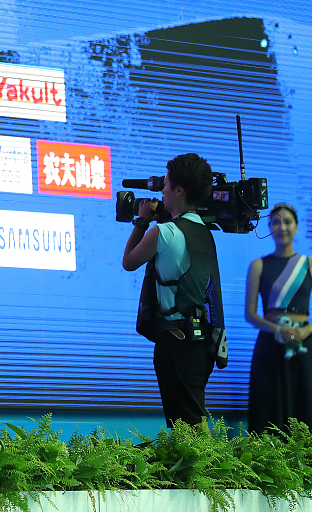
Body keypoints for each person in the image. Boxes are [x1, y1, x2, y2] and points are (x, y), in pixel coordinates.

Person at [122, 153, 227, 428]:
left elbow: (129, 261)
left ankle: (208, 460)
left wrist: (142, 220)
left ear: (179, 190)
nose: (162, 190)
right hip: (201, 341)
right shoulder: (205, 232)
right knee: (192, 420)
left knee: (190, 427)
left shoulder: (164, 232)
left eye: (166, 184)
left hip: (176, 342)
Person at [245, 203, 312, 435]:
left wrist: (305, 331)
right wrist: (276, 330)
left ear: (297, 226)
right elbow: (250, 314)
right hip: (270, 345)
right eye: (275, 222)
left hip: (303, 344)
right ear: (269, 228)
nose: (282, 227)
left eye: (287, 222)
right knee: (268, 409)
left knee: (309, 406)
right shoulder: (258, 265)